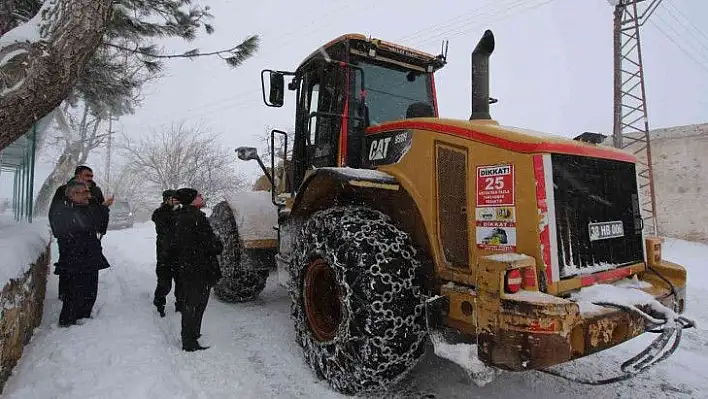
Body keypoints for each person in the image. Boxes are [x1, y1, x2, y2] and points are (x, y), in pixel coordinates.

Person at [167, 188, 223, 352]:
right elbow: (210, 244)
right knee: (195, 304)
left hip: (189, 267)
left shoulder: (181, 216)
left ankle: (192, 335)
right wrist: (217, 244)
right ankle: (189, 341)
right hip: (199, 268)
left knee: (193, 303)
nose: (201, 197)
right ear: (191, 199)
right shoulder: (197, 218)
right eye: (198, 195)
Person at [49, 165, 113, 301]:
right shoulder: (64, 190)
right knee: (69, 269)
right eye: (87, 176)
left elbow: (100, 212)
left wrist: (101, 229)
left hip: (89, 236)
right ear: (78, 176)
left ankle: (85, 303)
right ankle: (66, 297)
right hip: (69, 238)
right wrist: (61, 234)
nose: (90, 179)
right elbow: (54, 213)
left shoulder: (95, 191)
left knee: (90, 270)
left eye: (91, 176)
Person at [52, 180, 111, 327]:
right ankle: (68, 325)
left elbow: (99, 226)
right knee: (73, 296)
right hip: (75, 261)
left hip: (89, 259)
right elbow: (83, 226)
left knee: (89, 293)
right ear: (73, 194)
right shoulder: (63, 210)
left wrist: (103, 209)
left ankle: (84, 318)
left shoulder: (84, 207)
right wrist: (101, 209)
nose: (89, 196)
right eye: (85, 192)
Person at [151, 189, 183, 317]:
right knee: (164, 283)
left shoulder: (181, 212)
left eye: (177, 198)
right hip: (165, 253)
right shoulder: (160, 213)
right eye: (173, 198)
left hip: (179, 253)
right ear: (166, 199)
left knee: (181, 282)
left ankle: (180, 305)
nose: (175, 200)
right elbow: (165, 231)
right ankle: (159, 302)